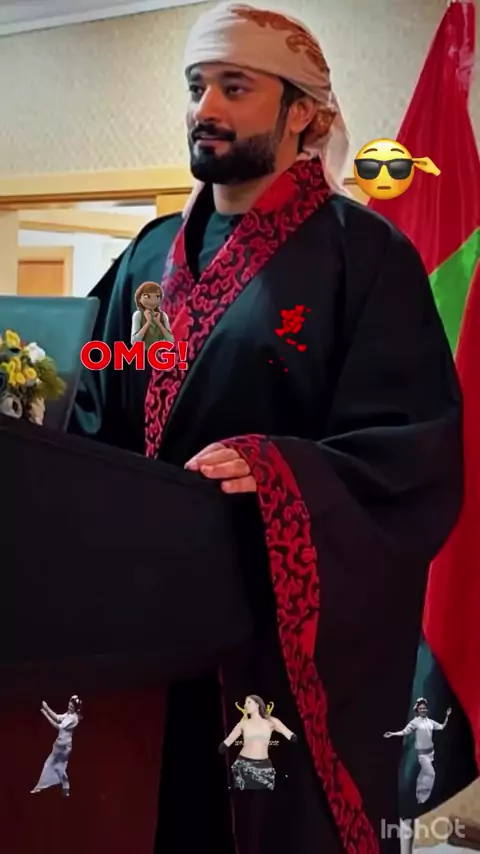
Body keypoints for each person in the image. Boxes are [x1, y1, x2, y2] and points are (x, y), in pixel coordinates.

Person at [15, 2, 460, 853]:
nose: (206, 107)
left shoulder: (365, 256)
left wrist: (282, 471)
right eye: (196, 86)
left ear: (304, 114)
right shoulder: (149, 256)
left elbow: (411, 449)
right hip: (138, 625)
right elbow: (98, 412)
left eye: (235, 86)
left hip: (265, 627)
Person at [219, 694, 297, 791]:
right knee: (245, 796)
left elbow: (287, 733)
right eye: (245, 703)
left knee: (266, 795)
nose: (245, 705)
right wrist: (222, 747)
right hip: (244, 766)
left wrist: (292, 736)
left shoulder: (270, 721)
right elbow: (229, 740)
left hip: (264, 767)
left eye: (249, 702)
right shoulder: (243, 724)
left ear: (257, 704)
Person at [384, 698, 451, 804]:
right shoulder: (415, 723)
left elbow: (441, 727)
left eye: (424, 708)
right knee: (430, 773)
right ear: (418, 710)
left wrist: (447, 716)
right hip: (422, 753)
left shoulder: (430, 722)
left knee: (424, 773)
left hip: (430, 753)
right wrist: (393, 734)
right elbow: (405, 732)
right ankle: (421, 797)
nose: (423, 710)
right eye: (421, 709)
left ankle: (420, 796)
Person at [30, 696, 82, 798]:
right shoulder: (69, 714)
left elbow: (58, 726)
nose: (69, 708)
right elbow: (57, 718)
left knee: (53, 765)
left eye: (72, 707)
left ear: (76, 709)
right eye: (69, 705)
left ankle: (41, 786)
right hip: (60, 745)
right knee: (57, 767)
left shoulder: (73, 719)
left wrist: (45, 713)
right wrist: (46, 708)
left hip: (64, 747)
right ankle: (64, 787)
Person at [130, 281, 174, 346]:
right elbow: (134, 341)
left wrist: (159, 323)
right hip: (143, 351)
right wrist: (147, 323)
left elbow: (171, 340)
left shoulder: (162, 316)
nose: (152, 301)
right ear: (139, 298)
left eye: (157, 296)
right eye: (147, 296)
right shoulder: (138, 315)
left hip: (159, 351)